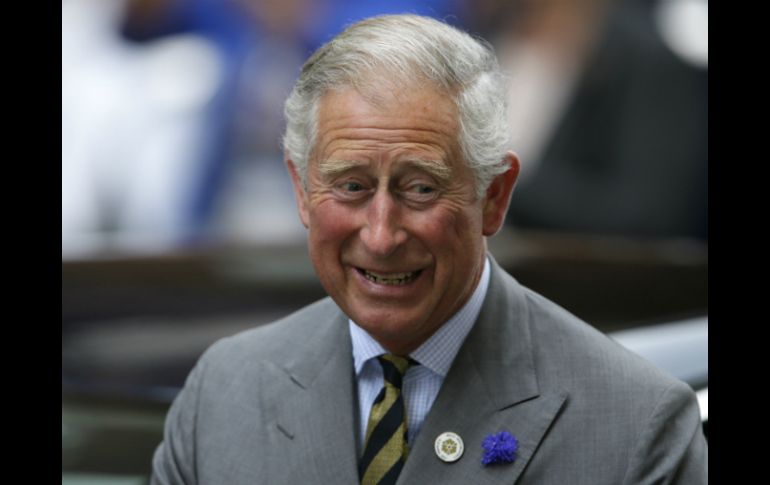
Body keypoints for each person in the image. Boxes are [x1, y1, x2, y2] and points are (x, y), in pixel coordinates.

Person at [151, 14, 707, 484]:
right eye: (351, 186)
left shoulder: (636, 423)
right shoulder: (223, 394)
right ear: (300, 190)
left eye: (420, 188)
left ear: (494, 196)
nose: (381, 235)